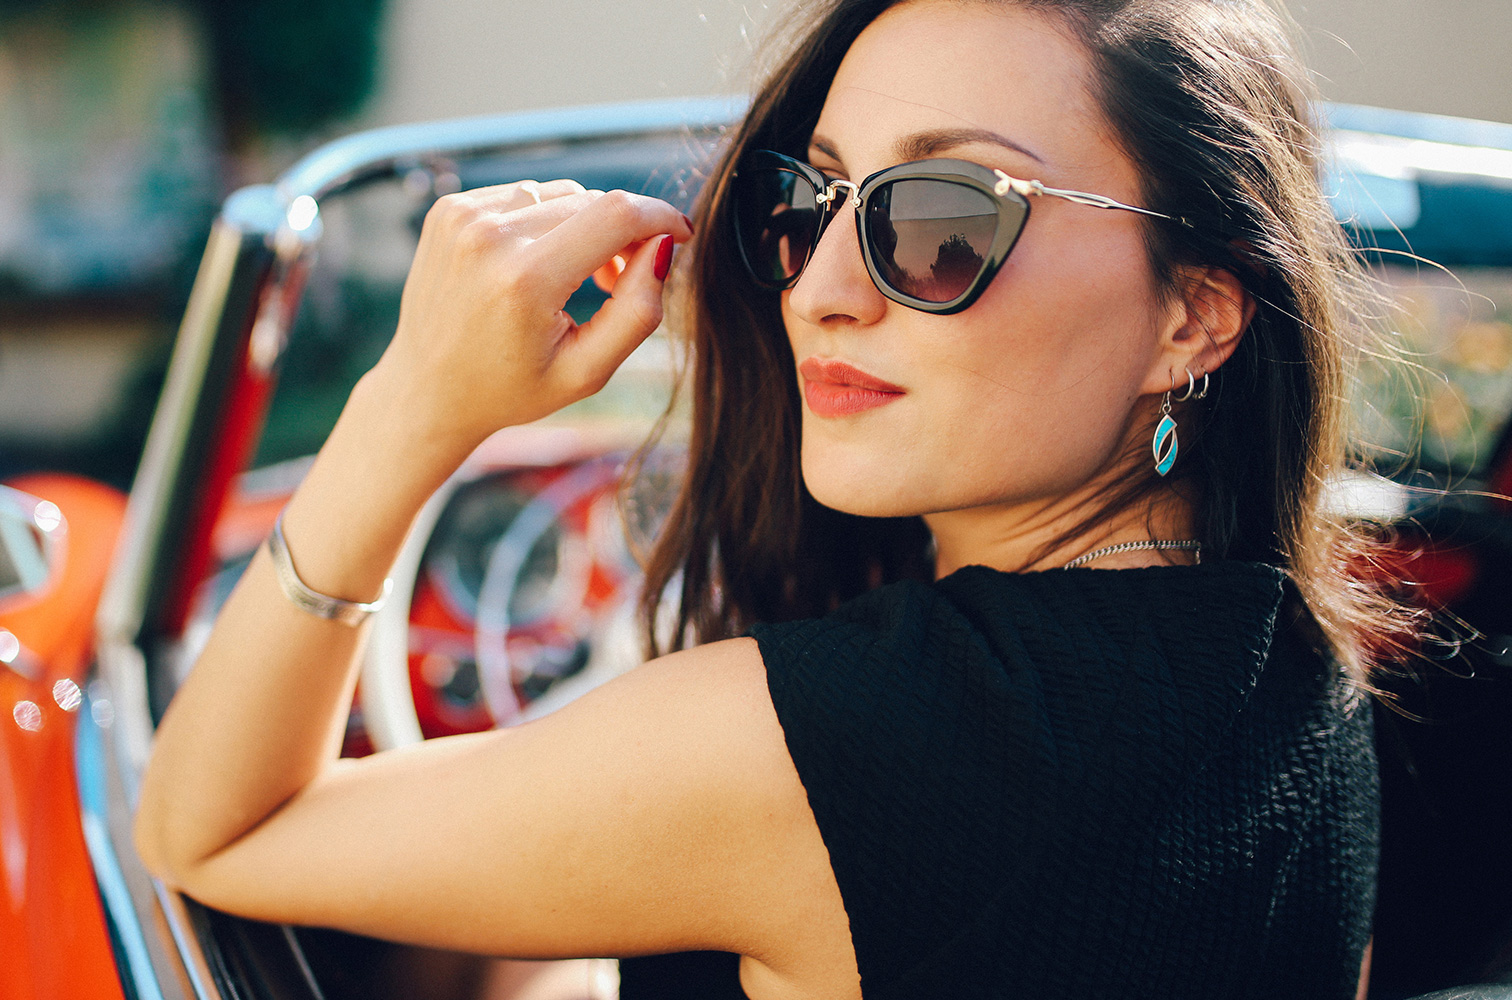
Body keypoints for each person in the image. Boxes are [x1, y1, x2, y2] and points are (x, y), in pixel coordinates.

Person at [135, 0, 1407, 996]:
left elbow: (212, 829)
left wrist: (414, 400)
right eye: (816, 201)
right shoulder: (1306, 679)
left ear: (1195, 314)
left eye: (940, 221)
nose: (818, 290)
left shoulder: (816, 742)